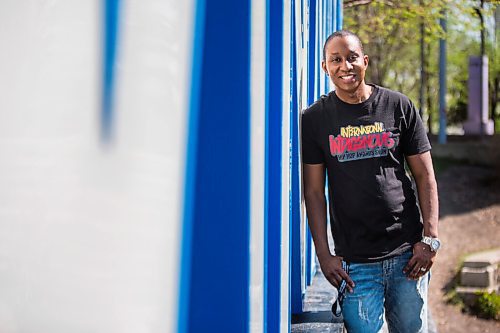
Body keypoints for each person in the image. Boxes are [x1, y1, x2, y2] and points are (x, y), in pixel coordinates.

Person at [301, 30, 440, 333]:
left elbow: (425, 175)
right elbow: (313, 192)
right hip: (355, 264)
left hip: (407, 255)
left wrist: (429, 239)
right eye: (335, 60)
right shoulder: (314, 120)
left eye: (351, 58)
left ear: (364, 60)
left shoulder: (398, 106)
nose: (345, 66)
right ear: (325, 68)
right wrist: (324, 256)